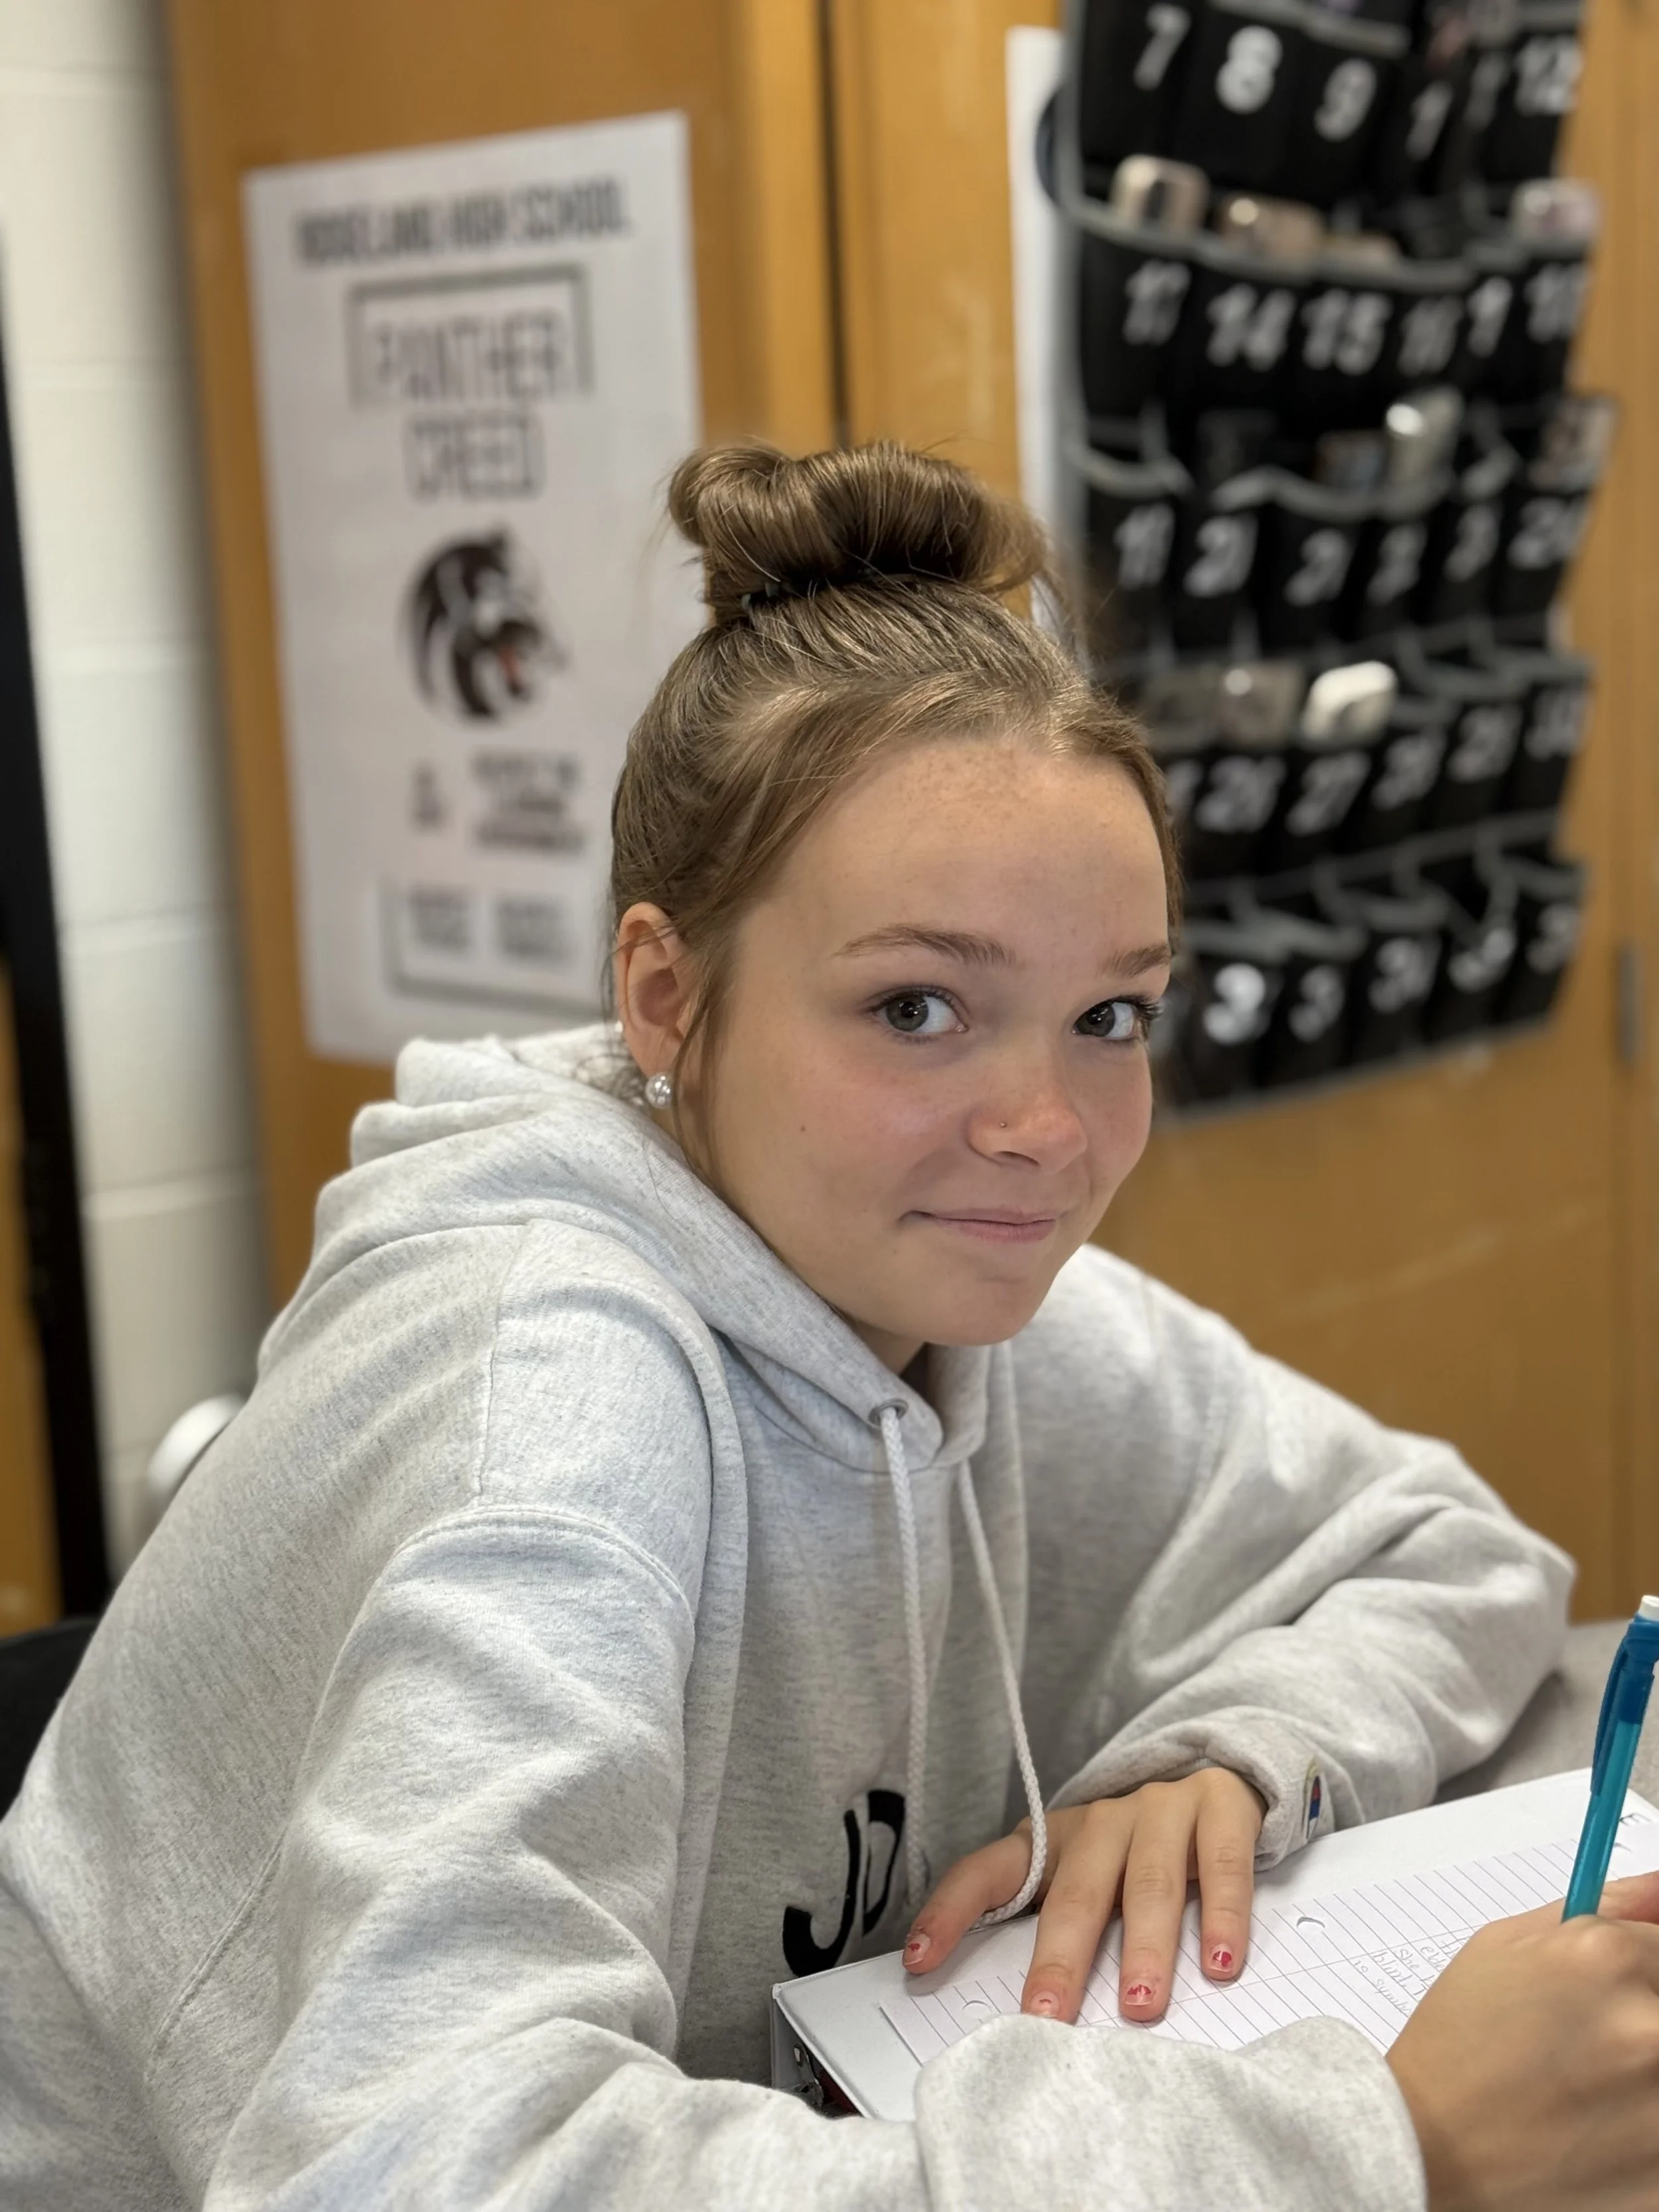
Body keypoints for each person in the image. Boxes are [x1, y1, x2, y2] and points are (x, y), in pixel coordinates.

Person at [3, 441, 1658, 2212]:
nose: (1044, 1125)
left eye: (1109, 1012)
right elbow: (411, 2168)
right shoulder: (542, 1416)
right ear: (667, 994)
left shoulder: (941, 1290)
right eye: (918, 1004)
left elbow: (1445, 1543)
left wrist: (1226, 1749)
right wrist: (1378, 2148)